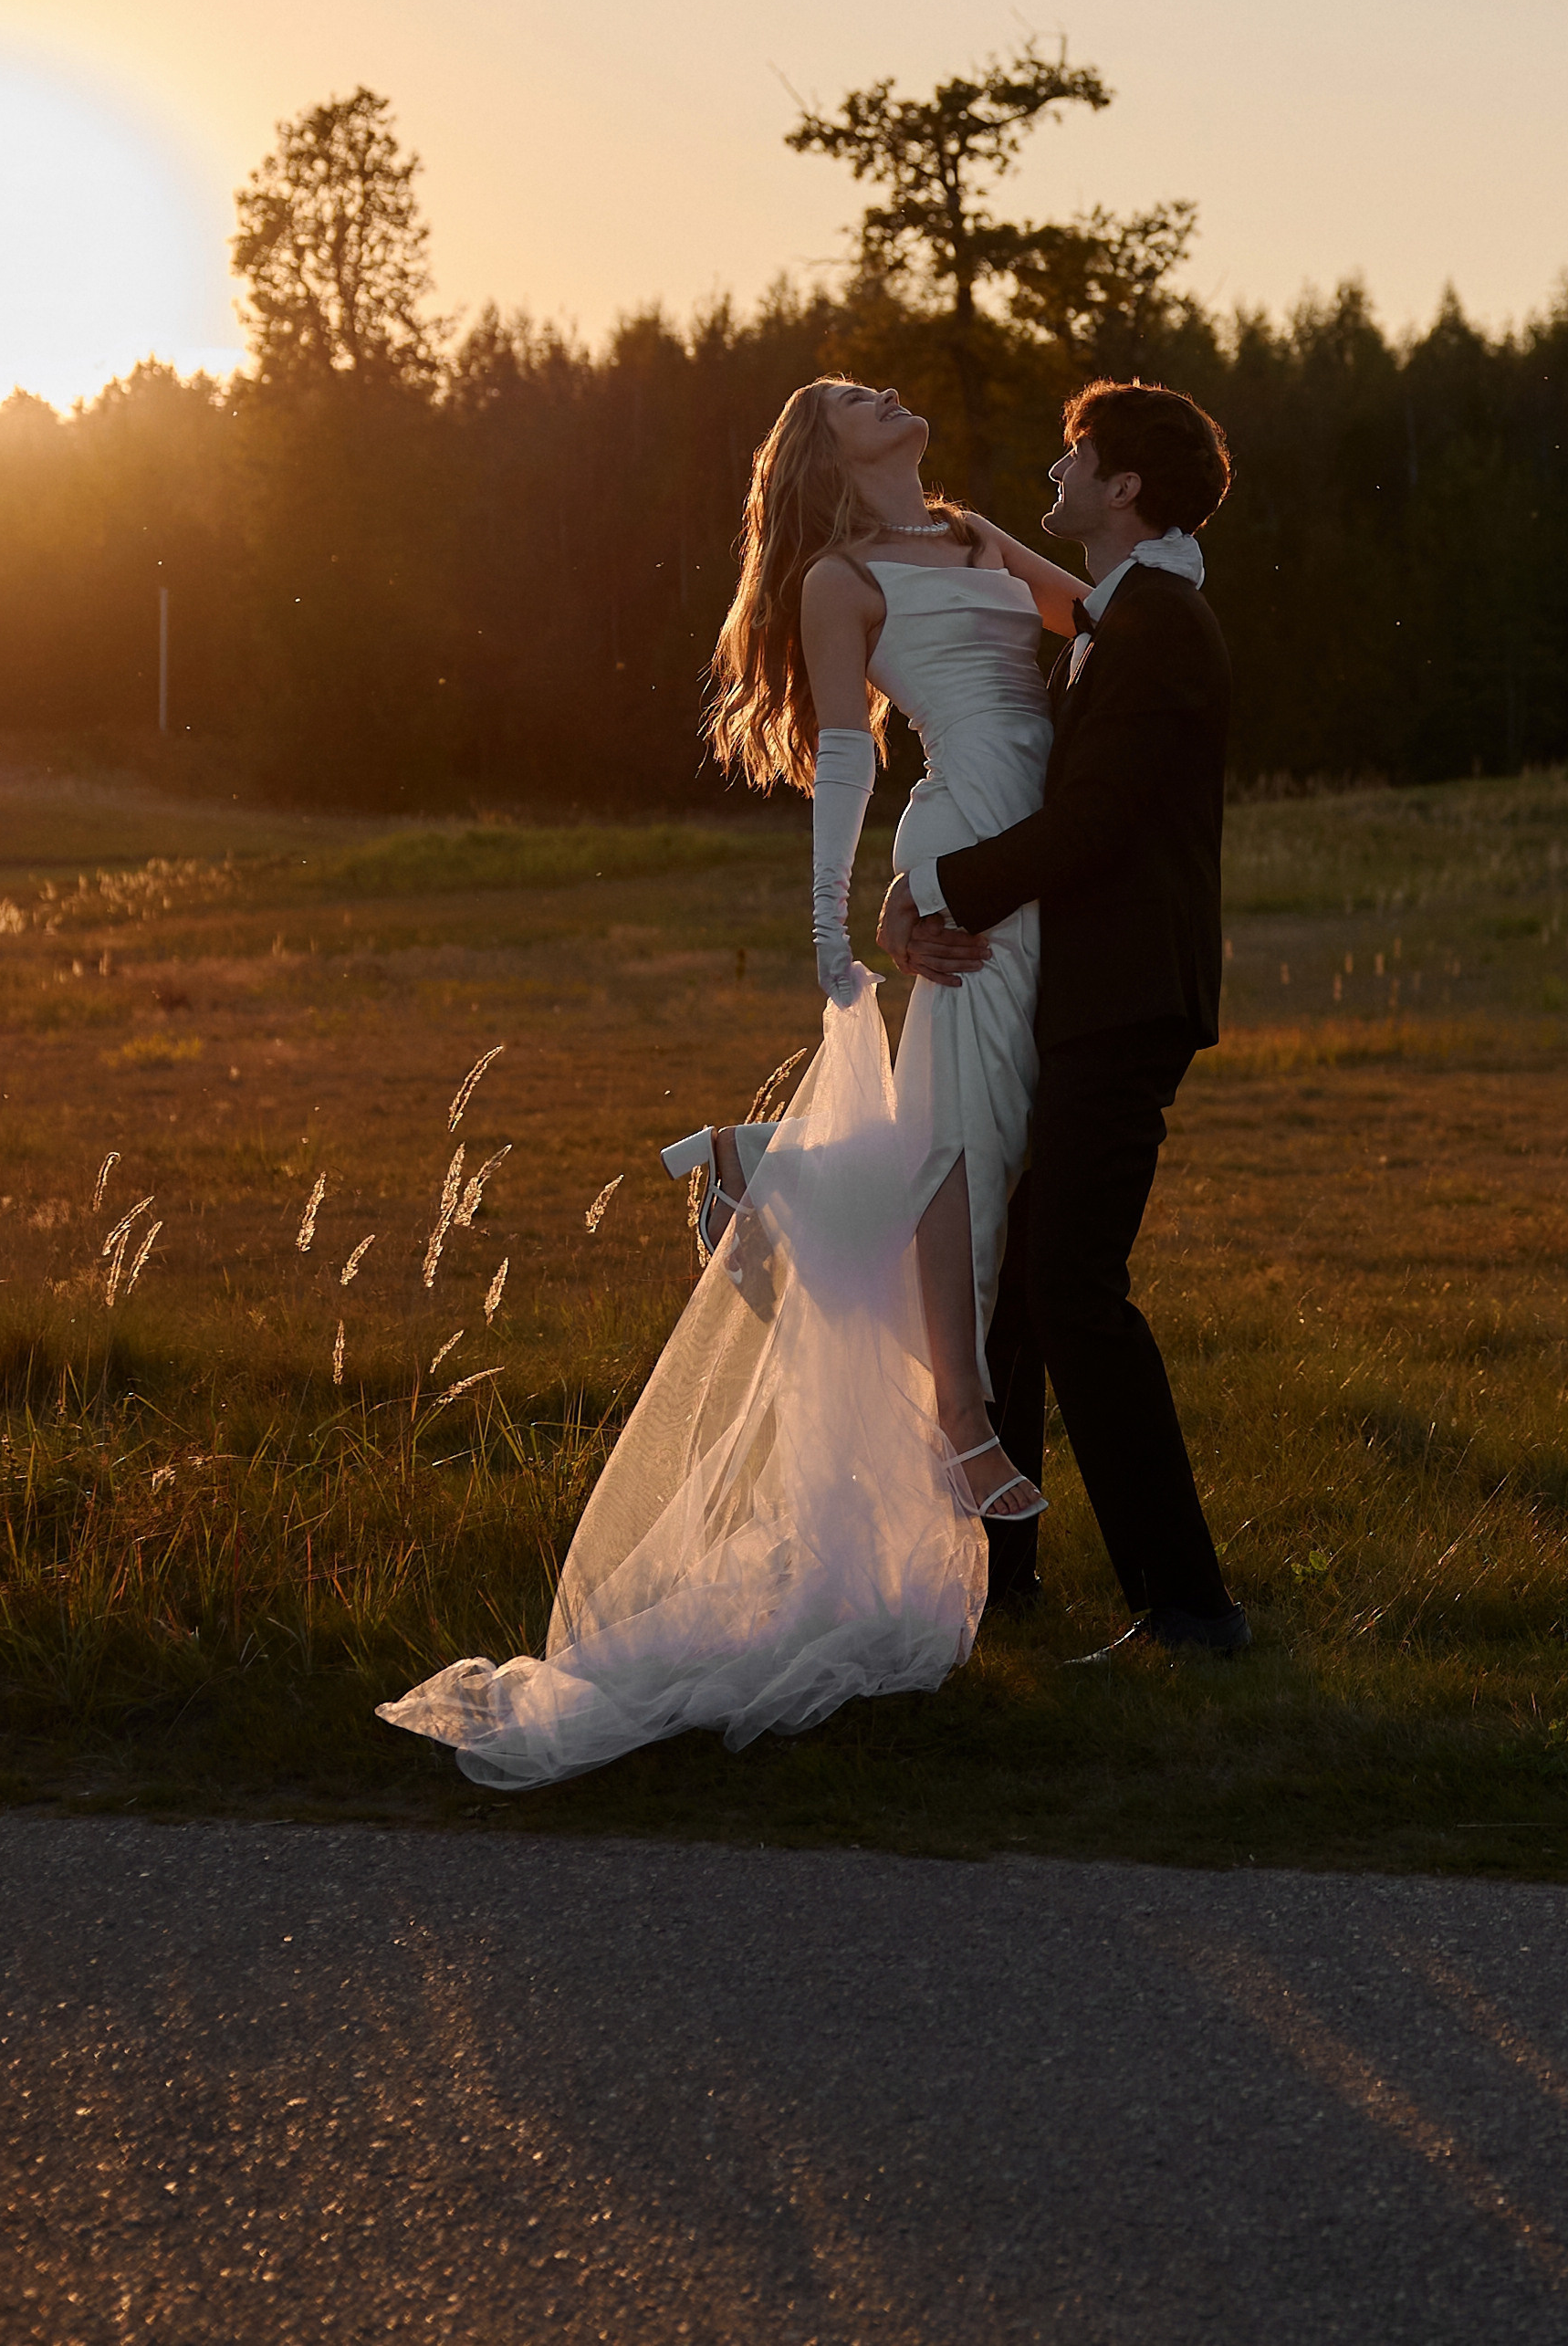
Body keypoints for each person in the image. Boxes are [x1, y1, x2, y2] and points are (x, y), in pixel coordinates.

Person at [378, 377, 1075, 1787]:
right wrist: (834, 925)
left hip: (1039, 859)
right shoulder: (838, 577)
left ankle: (766, 1165)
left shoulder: (976, 535)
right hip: (964, 865)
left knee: (981, 1164)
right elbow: (840, 754)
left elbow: (1101, 628)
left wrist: (1053, 560)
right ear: (826, 451)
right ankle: (959, 1433)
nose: (898, 396)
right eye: (866, 399)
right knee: (967, 1165)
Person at [877, 380, 1249, 1659]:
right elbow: (1078, 607)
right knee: (1030, 1296)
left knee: (1072, 1288)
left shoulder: (1161, 630)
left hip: (1125, 1005)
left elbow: (1091, 828)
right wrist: (987, 536)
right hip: (1099, 1000)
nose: (1059, 465)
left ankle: (1189, 1605)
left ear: (1125, 486)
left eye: (1076, 455)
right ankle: (1004, 1573)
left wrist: (929, 890)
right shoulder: (1137, 610)